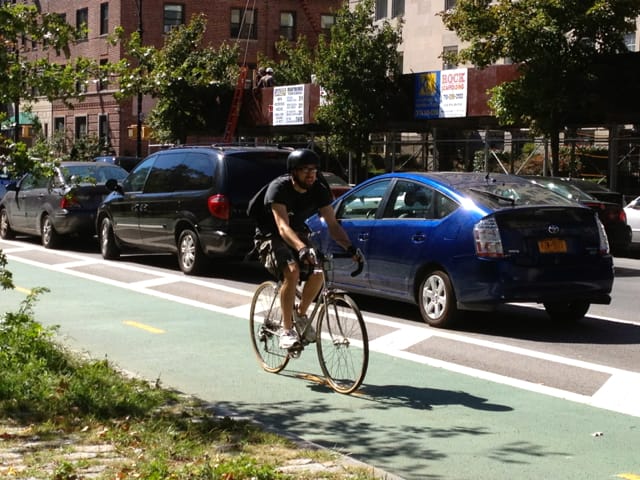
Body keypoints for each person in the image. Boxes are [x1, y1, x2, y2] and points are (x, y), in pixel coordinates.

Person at [256, 148, 361, 349]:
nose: (311, 174)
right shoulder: (278, 188)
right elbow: (282, 227)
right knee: (292, 271)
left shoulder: (319, 189)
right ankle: (286, 331)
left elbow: (333, 224)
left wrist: (350, 248)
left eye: (314, 169)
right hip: (270, 235)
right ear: (293, 172)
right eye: (305, 170)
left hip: (298, 233)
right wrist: (303, 249)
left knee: (319, 270)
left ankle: (300, 314)